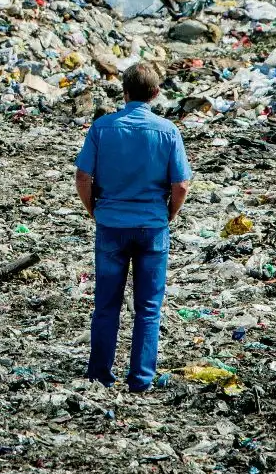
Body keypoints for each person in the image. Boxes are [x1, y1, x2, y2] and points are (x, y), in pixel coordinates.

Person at [73, 61, 192, 392]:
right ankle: (140, 379)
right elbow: (181, 184)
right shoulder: (168, 131)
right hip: (152, 228)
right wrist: (169, 214)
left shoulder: (102, 128)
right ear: (155, 94)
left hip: (111, 225)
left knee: (106, 305)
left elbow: (83, 176)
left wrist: (93, 210)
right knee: (148, 309)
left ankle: (99, 375)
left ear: (124, 92)